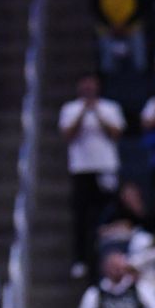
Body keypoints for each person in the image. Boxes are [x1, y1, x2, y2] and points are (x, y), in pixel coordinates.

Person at [58, 74, 126, 279]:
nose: (88, 86)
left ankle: (108, 260)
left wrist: (96, 111)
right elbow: (67, 135)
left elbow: (115, 133)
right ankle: (81, 260)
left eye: (91, 83)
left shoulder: (110, 107)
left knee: (107, 217)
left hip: (105, 167)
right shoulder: (70, 109)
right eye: (84, 82)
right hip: (81, 168)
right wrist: (83, 111)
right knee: (81, 217)